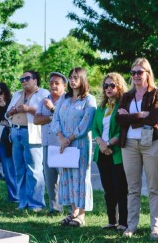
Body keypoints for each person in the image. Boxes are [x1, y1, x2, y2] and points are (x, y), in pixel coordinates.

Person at [118, 58, 158, 239]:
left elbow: (154, 117)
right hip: (129, 144)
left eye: (139, 72)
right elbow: (119, 119)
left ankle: (155, 227)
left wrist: (130, 117)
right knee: (133, 188)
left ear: (147, 73)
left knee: (154, 187)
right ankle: (131, 226)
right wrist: (139, 115)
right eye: (133, 72)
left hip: (151, 142)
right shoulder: (127, 96)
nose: (136, 76)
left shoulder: (156, 93)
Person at [50, 68, 97, 226]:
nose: (72, 80)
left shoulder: (89, 99)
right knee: (67, 176)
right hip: (64, 143)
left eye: (76, 77)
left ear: (82, 79)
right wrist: (61, 137)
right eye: (70, 78)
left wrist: (69, 138)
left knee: (80, 177)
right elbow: (55, 118)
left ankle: (81, 214)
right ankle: (73, 211)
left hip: (80, 143)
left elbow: (86, 123)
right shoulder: (64, 98)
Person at [6, 71, 50, 211]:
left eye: (27, 78)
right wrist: (12, 111)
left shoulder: (43, 93)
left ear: (35, 80)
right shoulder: (17, 94)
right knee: (19, 169)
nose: (23, 81)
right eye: (21, 79)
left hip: (32, 133)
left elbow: (47, 111)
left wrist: (28, 109)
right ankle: (23, 202)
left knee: (34, 170)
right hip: (16, 131)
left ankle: (36, 204)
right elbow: (6, 114)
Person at [93, 72, 129, 231]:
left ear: (119, 86)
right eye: (105, 85)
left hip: (116, 152)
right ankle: (111, 220)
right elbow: (94, 128)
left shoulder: (123, 106)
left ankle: (123, 222)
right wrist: (101, 143)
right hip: (101, 152)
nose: (108, 88)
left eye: (112, 85)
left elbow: (123, 129)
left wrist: (109, 144)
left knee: (120, 188)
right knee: (108, 189)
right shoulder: (101, 107)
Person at [35, 72, 68, 215]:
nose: (53, 85)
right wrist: (51, 115)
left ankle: (70, 207)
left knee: (65, 177)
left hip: (63, 144)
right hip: (48, 143)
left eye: (57, 83)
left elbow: (66, 118)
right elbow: (36, 120)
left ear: (64, 86)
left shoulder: (68, 100)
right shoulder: (44, 100)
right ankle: (54, 208)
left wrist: (52, 110)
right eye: (51, 83)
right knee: (50, 179)